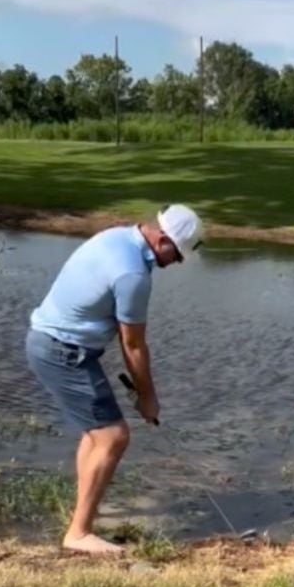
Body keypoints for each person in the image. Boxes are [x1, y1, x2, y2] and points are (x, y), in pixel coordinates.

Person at [25, 205, 204, 555]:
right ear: (163, 239)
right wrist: (148, 397)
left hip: (51, 343)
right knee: (114, 436)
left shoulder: (116, 236)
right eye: (178, 254)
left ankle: (82, 516)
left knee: (97, 436)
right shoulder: (133, 274)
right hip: (61, 351)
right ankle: (78, 534)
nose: (178, 262)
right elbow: (133, 345)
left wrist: (142, 391)